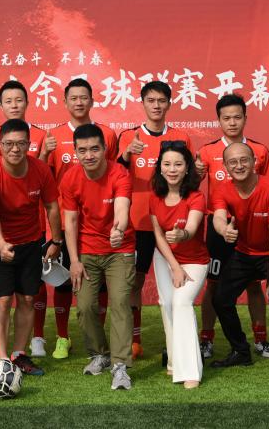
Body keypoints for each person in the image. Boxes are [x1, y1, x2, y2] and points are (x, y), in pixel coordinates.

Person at [0, 119, 62, 376]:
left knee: (27, 299)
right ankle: (3, 360)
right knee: (2, 300)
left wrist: (56, 241)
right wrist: (1, 244)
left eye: (21, 143)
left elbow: (52, 206)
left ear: (29, 144)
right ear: (0, 144)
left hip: (30, 243)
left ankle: (19, 355)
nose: (15, 149)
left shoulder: (40, 170)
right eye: (9, 144)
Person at [43, 78, 118, 359]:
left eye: (84, 97)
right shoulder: (53, 136)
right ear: (65, 102)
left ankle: (98, 334)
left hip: (101, 223)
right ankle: (63, 337)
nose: (79, 102)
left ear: (92, 100)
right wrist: (44, 152)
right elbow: (44, 178)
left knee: (100, 284)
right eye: (73, 98)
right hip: (67, 222)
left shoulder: (107, 134)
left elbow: (114, 175)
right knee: (64, 281)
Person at [210, 142, 269, 389]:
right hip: (244, 251)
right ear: (225, 166)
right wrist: (223, 230)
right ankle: (240, 351)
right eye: (232, 162)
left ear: (254, 162)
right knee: (220, 299)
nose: (239, 166)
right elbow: (218, 216)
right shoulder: (222, 189)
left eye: (244, 160)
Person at [194, 94, 269, 360]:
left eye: (237, 117)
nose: (232, 122)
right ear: (218, 120)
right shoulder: (207, 152)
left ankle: (260, 339)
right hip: (218, 228)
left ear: (245, 119)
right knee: (213, 285)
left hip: (252, 227)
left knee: (254, 285)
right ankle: (206, 339)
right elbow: (191, 187)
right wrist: (195, 174)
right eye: (226, 118)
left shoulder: (260, 151)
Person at [117, 80, 191, 359]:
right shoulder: (129, 137)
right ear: (143, 103)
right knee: (134, 283)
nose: (156, 105)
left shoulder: (181, 138)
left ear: (169, 104)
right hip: (139, 224)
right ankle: (135, 340)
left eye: (161, 100)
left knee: (176, 284)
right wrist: (126, 154)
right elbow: (115, 175)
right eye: (151, 100)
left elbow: (190, 182)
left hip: (172, 225)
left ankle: (176, 342)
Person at [61, 124, 134, 390]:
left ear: (104, 149)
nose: (89, 155)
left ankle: (120, 366)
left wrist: (119, 229)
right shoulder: (70, 178)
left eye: (94, 149)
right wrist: (74, 261)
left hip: (119, 249)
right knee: (85, 306)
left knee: (120, 303)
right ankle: (99, 354)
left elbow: (122, 207)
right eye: (82, 150)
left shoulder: (119, 173)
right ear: (75, 152)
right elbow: (70, 222)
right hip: (87, 250)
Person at [150, 141, 209, 389]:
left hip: (195, 260)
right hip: (165, 257)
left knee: (182, 302)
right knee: (167, 304)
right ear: (160, 168)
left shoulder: (196, 197)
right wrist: (174, 266)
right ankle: (174, 362)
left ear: (187, 169)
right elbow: (158, 236)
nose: (172, 169)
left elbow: (192, 228)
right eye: (167, 164)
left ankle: (191, 370)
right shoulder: (155, 197)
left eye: (178, 164)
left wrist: (182, 234)